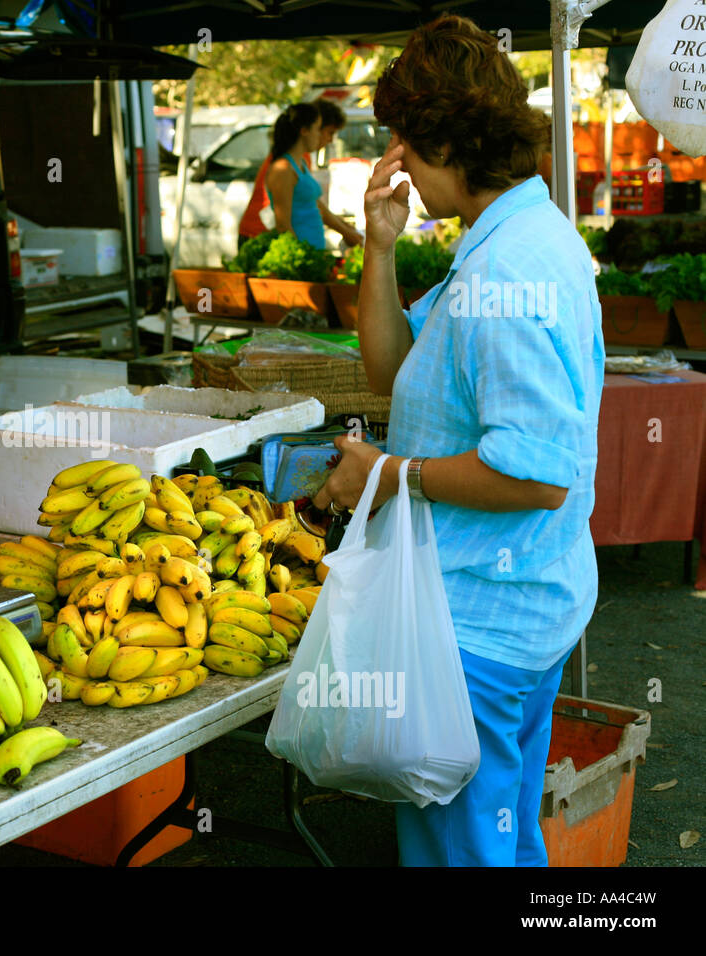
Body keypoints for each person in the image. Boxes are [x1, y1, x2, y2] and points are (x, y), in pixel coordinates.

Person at [312, 15, 604, 866]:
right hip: (509, 613)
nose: (394, 155)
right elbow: (386, 368)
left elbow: (535, 475)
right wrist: (378, 245)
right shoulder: (503, 242)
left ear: (445, 140)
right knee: (502, 840)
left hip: (477, 633)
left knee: (462, 852)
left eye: (403, 135)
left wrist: (387, 472)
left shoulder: (510, 269)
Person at [238, 99, 362, 249]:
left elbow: (310, 201)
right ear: (307, 129)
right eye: (329, 133)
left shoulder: (301, 159)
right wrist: (344, 230)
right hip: (259, 235)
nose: (330, 140)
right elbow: (284, 223)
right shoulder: (286, 164)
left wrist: (344, 227)